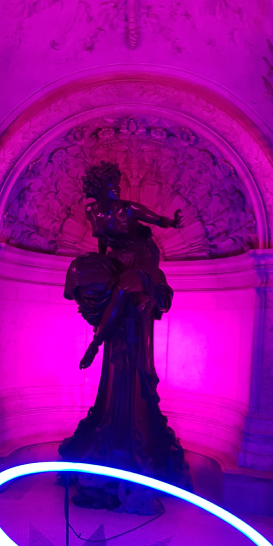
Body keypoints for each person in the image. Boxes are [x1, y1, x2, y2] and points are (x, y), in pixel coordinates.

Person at [59, 161, 191, 512]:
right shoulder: (96, 211)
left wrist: (172, 223)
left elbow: (160, 222)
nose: (117, 188)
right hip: (119, 264)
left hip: (142, 267)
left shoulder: (127, 209)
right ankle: (102, 326)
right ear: (105, 186)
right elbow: (102, 246)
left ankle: (95, 342)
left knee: (122, 293)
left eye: (116, 183)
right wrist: (101, 270)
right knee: (88, 273)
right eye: (113, 183)